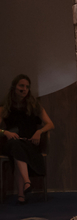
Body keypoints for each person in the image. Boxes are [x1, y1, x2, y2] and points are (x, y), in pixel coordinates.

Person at [0, 74, 55, 204]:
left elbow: (50, 124)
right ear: (14, 87)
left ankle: (22, 194)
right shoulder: (4, 107)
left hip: (30, 142)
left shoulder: (34, 105)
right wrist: (5, 132)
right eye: (21, 86)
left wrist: (39, 131)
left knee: (18, 150)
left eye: (27, 87)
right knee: (15, 145)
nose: (24, 89)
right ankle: (27, 182)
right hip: (10, 142)